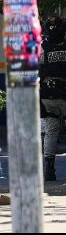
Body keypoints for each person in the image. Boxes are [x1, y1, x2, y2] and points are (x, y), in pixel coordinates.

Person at [40, 16, 66, 181]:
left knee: (51, 131)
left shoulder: (43, 51)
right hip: (64, 92)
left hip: (47, 95)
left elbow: (39, 74)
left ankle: (49, 169)